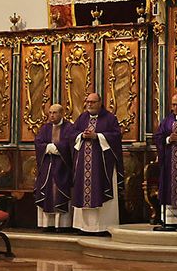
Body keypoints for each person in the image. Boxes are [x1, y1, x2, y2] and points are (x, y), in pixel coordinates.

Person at [68, 91, 123, 236]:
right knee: (83, 191)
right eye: (88, 102)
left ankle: (103, 227)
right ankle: (83, 226)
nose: (90, 105)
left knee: (100, 191)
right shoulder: (82, 118)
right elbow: (72, 134)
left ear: (100, 103)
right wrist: (81, 135)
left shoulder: (110, 118)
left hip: (102, 165)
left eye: (93, 102)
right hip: (83, 165)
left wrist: (97, 136)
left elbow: (116, 136)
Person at [151, 92, 177, 231]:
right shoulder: (167, 120)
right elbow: (158, 136)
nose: (175, 107)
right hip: (169, 161)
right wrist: (168, 139)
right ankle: (170, 220)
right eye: (173, 104)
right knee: (169, 188)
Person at [33, 103, 72, 231]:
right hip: (47, 166)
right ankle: (47, 224)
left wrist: (58, 148)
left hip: (62, 166)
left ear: (62, 113)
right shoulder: (45, 128)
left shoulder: (69, 127)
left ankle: (61, 225)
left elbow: (69, 143)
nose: (51, 115)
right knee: (46, 190)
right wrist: (47, 147)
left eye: (54, 112)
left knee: (59, 192)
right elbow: (38, 141)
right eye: (50, 112)